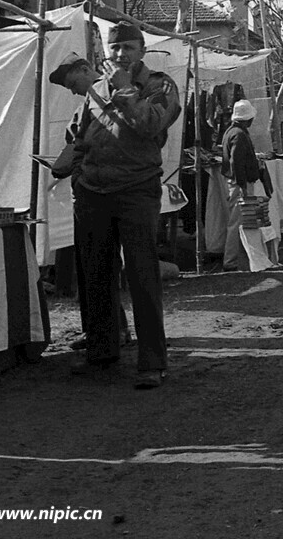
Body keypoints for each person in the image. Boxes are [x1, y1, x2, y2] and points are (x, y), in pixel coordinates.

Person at [71, 22, 181, 388]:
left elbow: (151, 125)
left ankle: (153, 362)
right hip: (92, 191)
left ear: (142, 51)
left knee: (141, 275)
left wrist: (126, 92)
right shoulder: (96, 88)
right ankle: (102, 352)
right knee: (95, 274)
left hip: (136, 190)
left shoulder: (160, 85)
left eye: (128, 48)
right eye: (115, 49)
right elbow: (83, 134)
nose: (120, 55)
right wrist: (74, 162)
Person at [47, 53, 131, 350]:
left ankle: (108, 333)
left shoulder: (107, 94)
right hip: (89, 190)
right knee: (94, 265)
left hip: (100, 192)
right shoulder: (89, 100)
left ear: (85, 70)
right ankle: (106, 329)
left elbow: (88, 143)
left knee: (98, 264)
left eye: (72, 83)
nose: (72, 90)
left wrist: (67, 164)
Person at [220, 99, 275, 271]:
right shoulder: (240, 135)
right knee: (238, 222)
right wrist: (243, 185)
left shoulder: (231, 132)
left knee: (242, 221)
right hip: (240, 183)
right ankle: (230, 261)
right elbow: (237, 162)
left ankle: (241, 259)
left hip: (237, 182)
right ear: (247, 119)